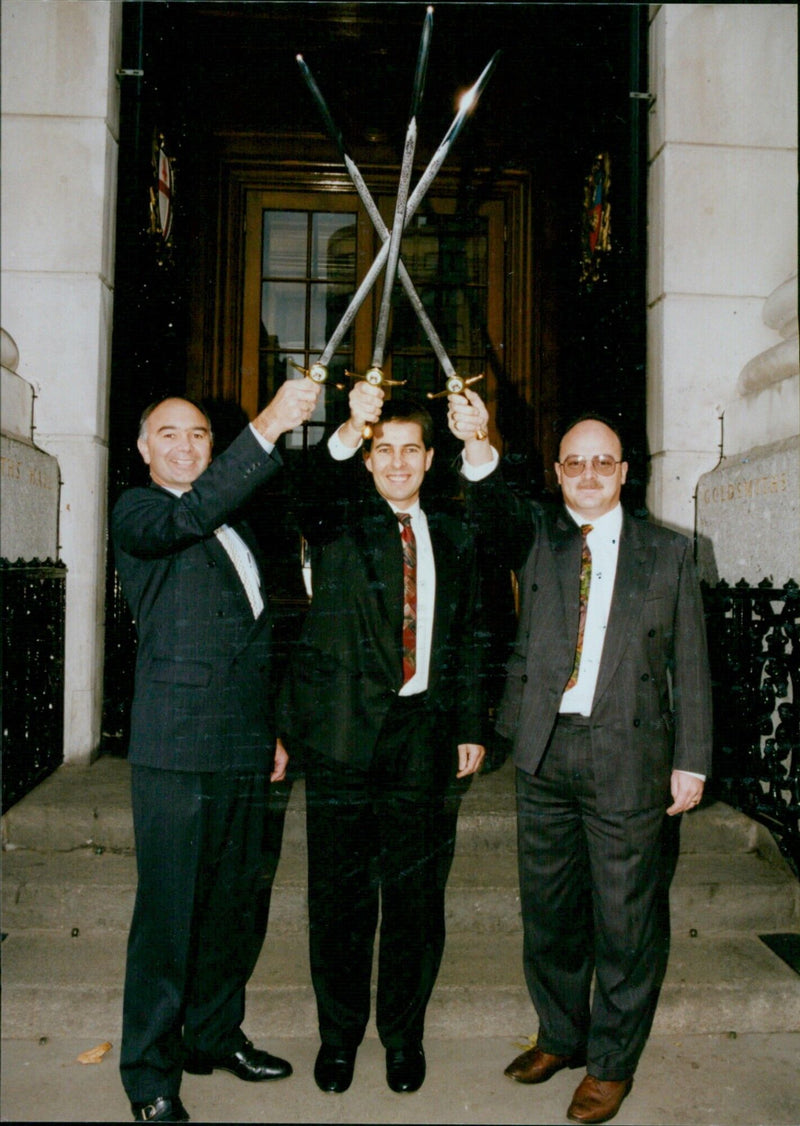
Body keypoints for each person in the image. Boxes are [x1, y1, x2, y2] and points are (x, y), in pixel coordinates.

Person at [447, 390, 712, 1125]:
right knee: (551, 912)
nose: (588, 474)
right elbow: (492, 514)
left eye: (603, 462)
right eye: (574, 464)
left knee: (627, 922)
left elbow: (690, 662)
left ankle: (611, 1062)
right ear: (559, 474)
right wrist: (477, 446)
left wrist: (691, 760)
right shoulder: (542, 537)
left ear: (625, 472)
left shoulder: (669, 552)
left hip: (630, 754)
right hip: (545, 751)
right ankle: (561, 1034)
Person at [112, 380, 321, 1124]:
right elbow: (191, 514)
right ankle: (148, 1075)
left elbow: (249, 640)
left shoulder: (234, 525)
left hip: (238, 744)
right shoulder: (142, 513)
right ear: (144, 450)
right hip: (175, 749)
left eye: (200, 434)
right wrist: (267, 425)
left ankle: (212, 1033)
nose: (187, 445)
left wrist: (266, 731)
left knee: (235, 905)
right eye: (169, 434)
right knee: (170, 917)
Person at [278, 382, 486, 1096]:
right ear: (367, 461)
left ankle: (404, 1037)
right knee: (338, 899)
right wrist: (342, 431)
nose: (396, 463)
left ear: (430, 460)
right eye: (382, 450)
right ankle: (338, 1039)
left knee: (415, 899)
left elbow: (471, 636)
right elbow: (299, 488)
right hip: (341, 735)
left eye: (410, 451)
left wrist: (468, 726)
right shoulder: (337, 517)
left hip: (422, 734)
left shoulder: (456, 535)